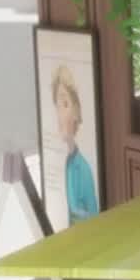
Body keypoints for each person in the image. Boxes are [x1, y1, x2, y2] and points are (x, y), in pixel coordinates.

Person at [51, 65, 99, 225]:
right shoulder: (68, 161)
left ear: (76, 112)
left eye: (65, 104)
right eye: (57, 105)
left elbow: (94, 218)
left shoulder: (82, 168)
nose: (60, 114)